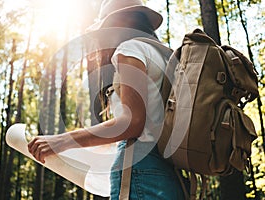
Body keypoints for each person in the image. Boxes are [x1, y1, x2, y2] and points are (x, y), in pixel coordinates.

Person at [28, 0, 184, 199]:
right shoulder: (165, 57)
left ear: (117, 22)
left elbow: (133, 122)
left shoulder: (131, 49)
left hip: (138, 170)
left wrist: (60, 141)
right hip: (168, 174)